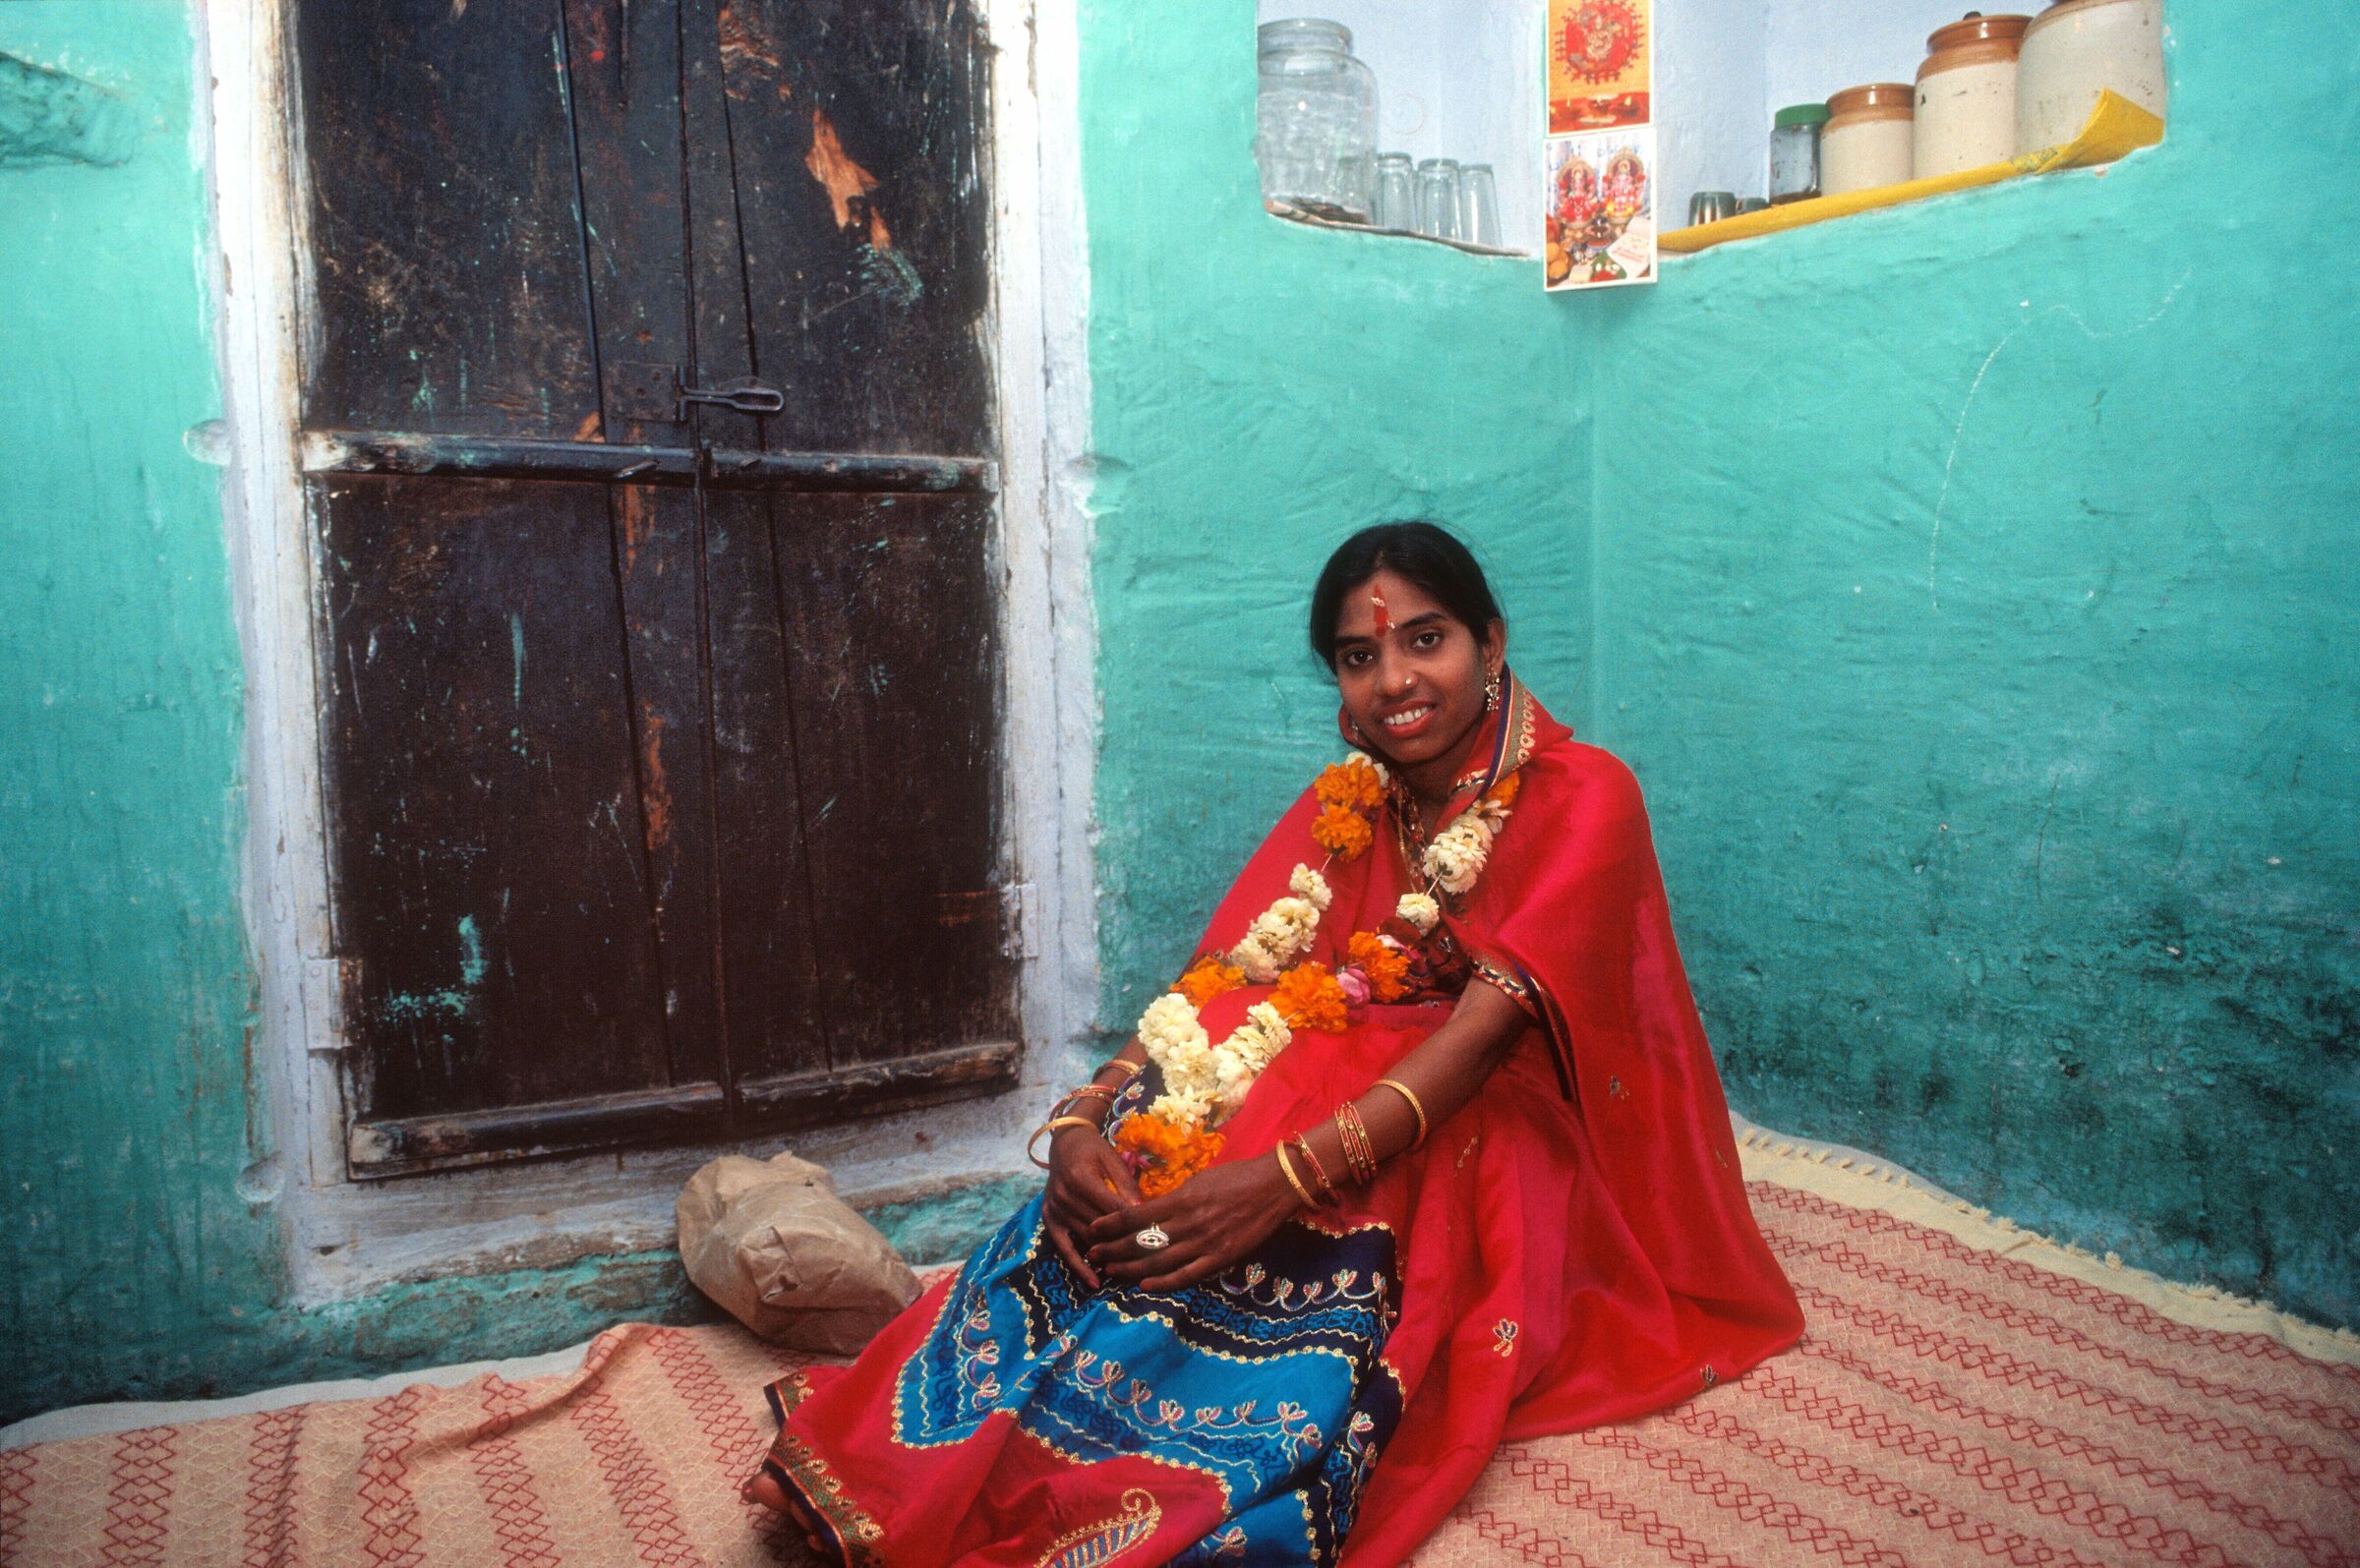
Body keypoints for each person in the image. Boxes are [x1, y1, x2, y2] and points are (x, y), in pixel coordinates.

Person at [744, 521, 1803, 1565]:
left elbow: (1482, 1041)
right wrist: (1079, 1120)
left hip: (1500, 1125)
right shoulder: (1351, 800)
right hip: (1360, 1083)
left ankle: (1146, 1458)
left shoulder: (1587, 793)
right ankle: (952, 1442)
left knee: (1316, 1113)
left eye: (1424, 638)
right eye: (1359, 655)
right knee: (1207, 1086)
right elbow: (1227, 981)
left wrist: (1280, 1177)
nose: (1394, 679)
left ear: (1492, 638)